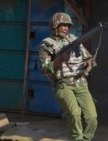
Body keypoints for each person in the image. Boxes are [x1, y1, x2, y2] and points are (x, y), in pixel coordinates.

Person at [39, 12, 98, 141]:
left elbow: (88, 57)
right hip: (63, 84)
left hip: (80, 83)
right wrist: (59, 59)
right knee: (74, 114)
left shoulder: (73, 40)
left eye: (68, 26)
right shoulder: (47, 44)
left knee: (91, 117)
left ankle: (85, 139)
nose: (66, 28)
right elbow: (44, 69)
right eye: (63, 25)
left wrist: (89, 61)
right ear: (55, 26)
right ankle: (77, 139)